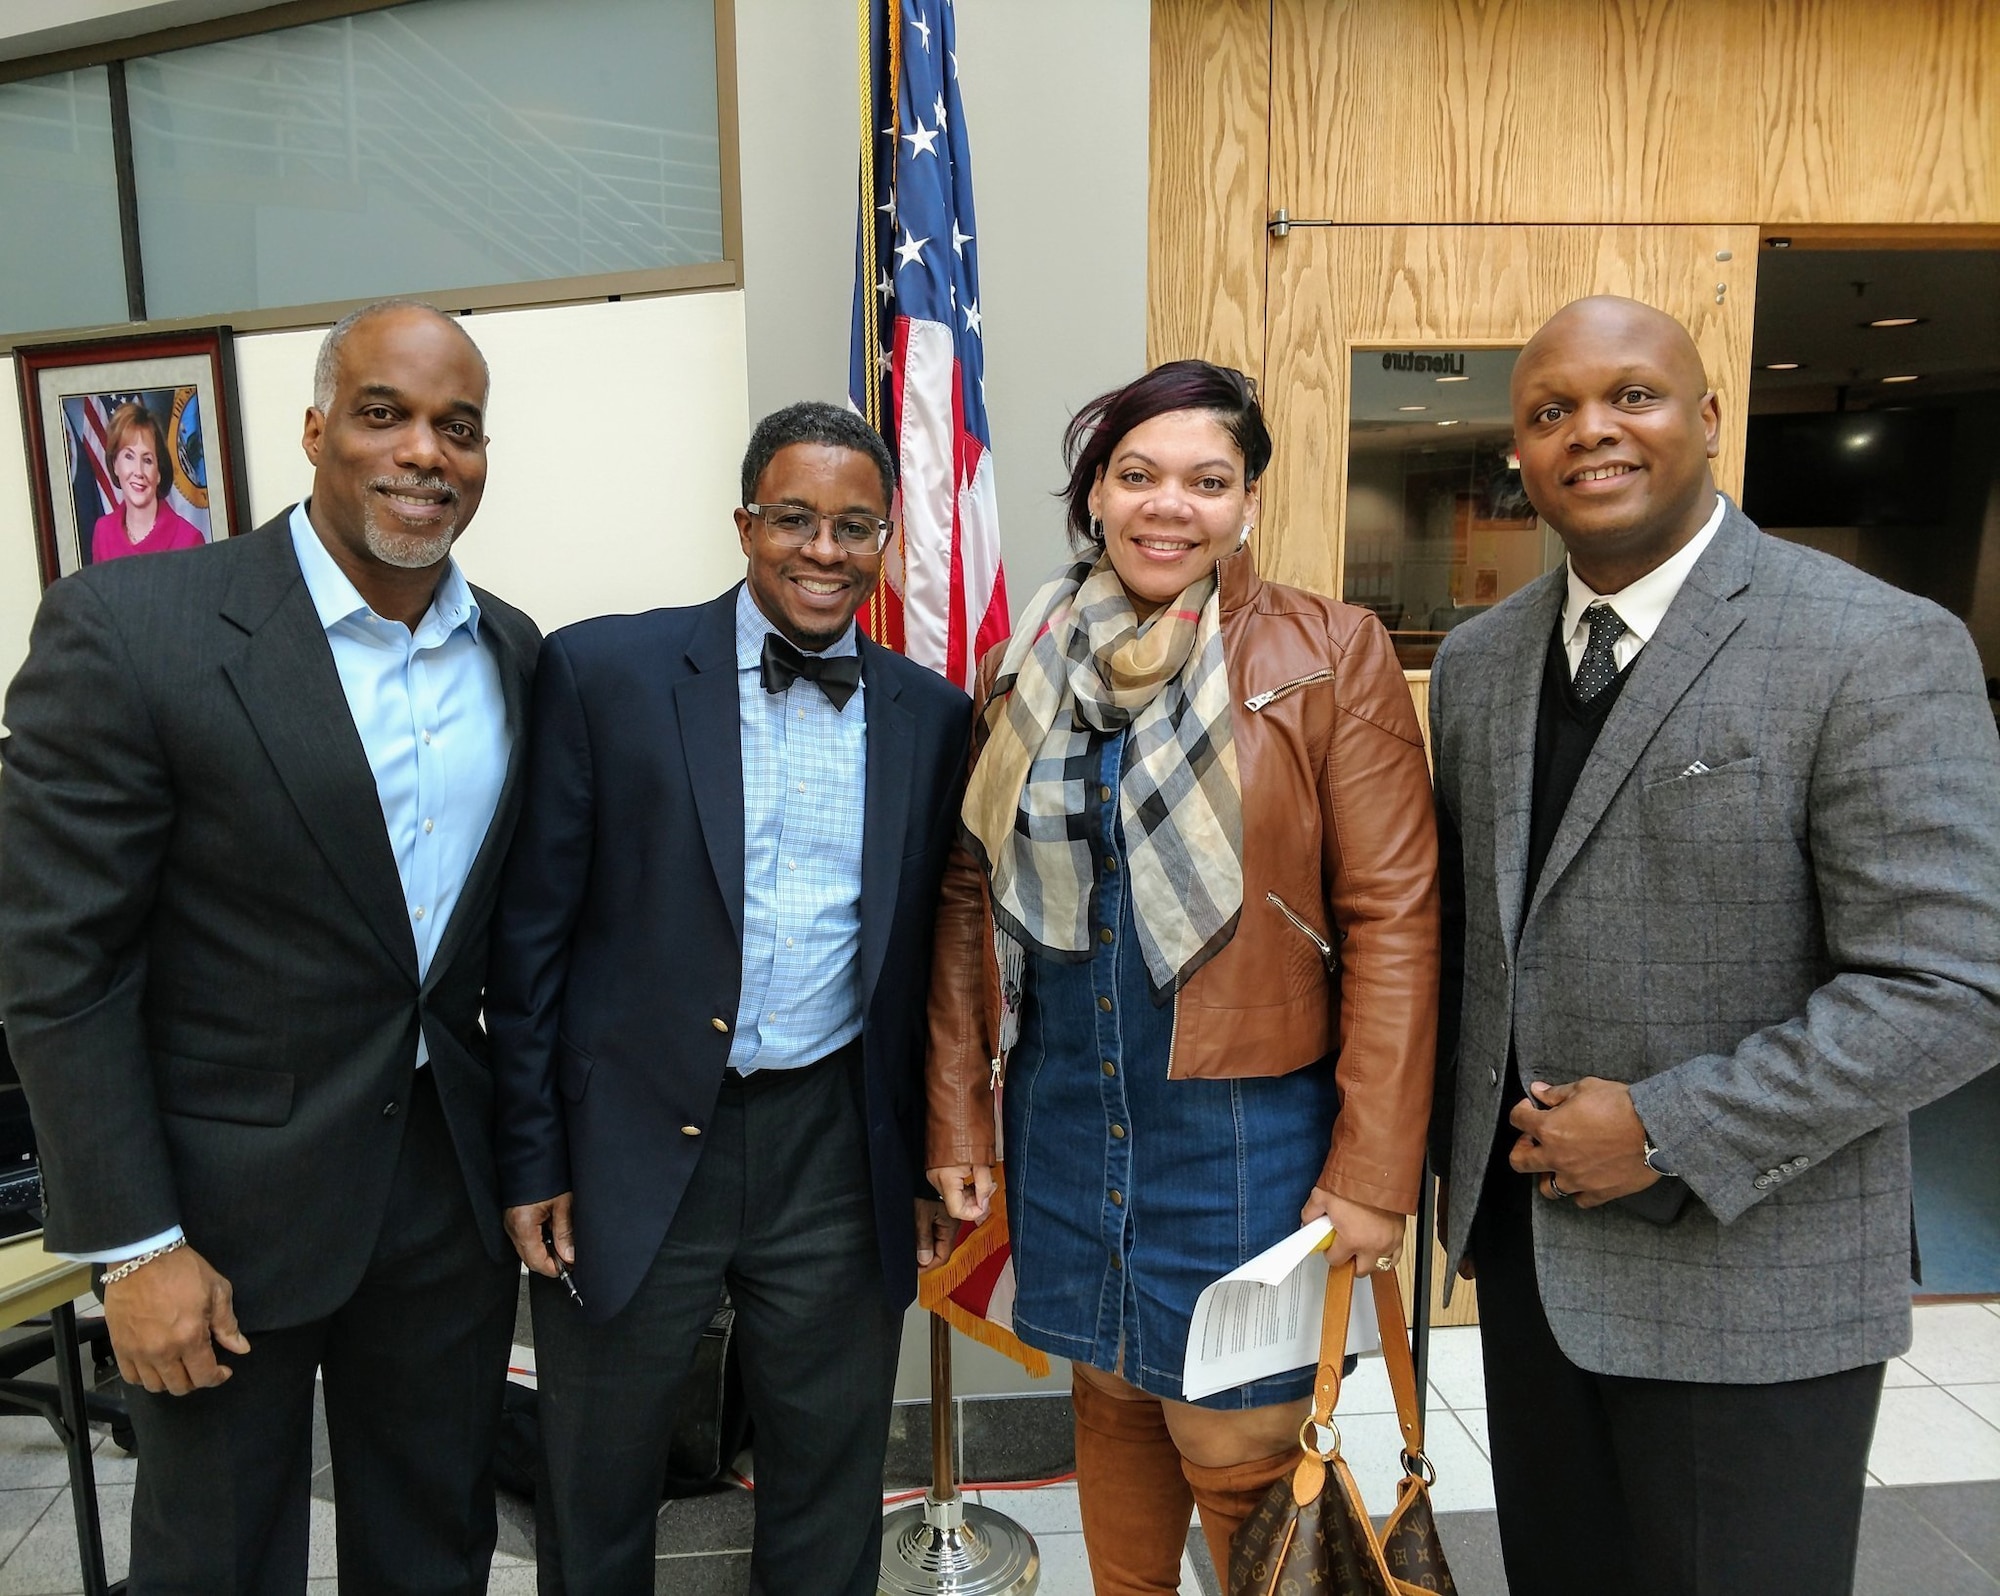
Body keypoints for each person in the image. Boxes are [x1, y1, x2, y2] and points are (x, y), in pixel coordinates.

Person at [1428, 295, 2000, 1595]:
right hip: (1531, 1275)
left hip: (1754, 1285)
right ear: (1518, 451)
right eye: (1549, 410)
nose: (1591, 431)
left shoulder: (1878, 646)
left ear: (1709, 416)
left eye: (1631, 395)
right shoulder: (1478, 665)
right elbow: (1473, 948)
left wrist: (1668, 1127)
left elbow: (1953, 986)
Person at [0, 298, 541, 1594]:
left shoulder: (514, 653)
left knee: (432, 1545)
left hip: (439, 1206)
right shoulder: (135, 629)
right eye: (384, 414)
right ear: (313, 429)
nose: (425, 452)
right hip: (217, 1222)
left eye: (457, 427)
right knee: (217, 1561)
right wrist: (132, 1245)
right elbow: (60, 969)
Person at [926, 360, 1439, 1591]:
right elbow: (965, 893)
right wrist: (957, 1110)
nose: (1170, 506)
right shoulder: (1026, 661)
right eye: (1137, 475)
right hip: (1061, 1101)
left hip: (1245, 1121)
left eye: (1206, 481)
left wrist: (1370, 1172)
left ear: (1247, 503)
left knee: (1242, 1440)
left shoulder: (1330, 650)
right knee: (1109, 1398)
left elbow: (1396, 918)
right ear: (1094, 496)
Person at [490, 401, 972, 1596]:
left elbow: (922, 963)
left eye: (853, 525)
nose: (823, 549)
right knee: (598, 1479)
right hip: (631, 1142)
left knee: (827, 1478)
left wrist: (920, 1159)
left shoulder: (931, 713)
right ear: (744, 521)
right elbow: (529, 939)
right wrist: (531, 1156)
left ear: (885, 536)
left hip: (832, 1144)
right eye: (795, 519)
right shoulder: (604, 671)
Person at [89, 400, 207, 563]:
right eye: (129, 456)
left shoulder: (189, 540)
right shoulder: (103, 532)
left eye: (148, 460)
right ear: (115, 464)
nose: (138, 471)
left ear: (158, 473)